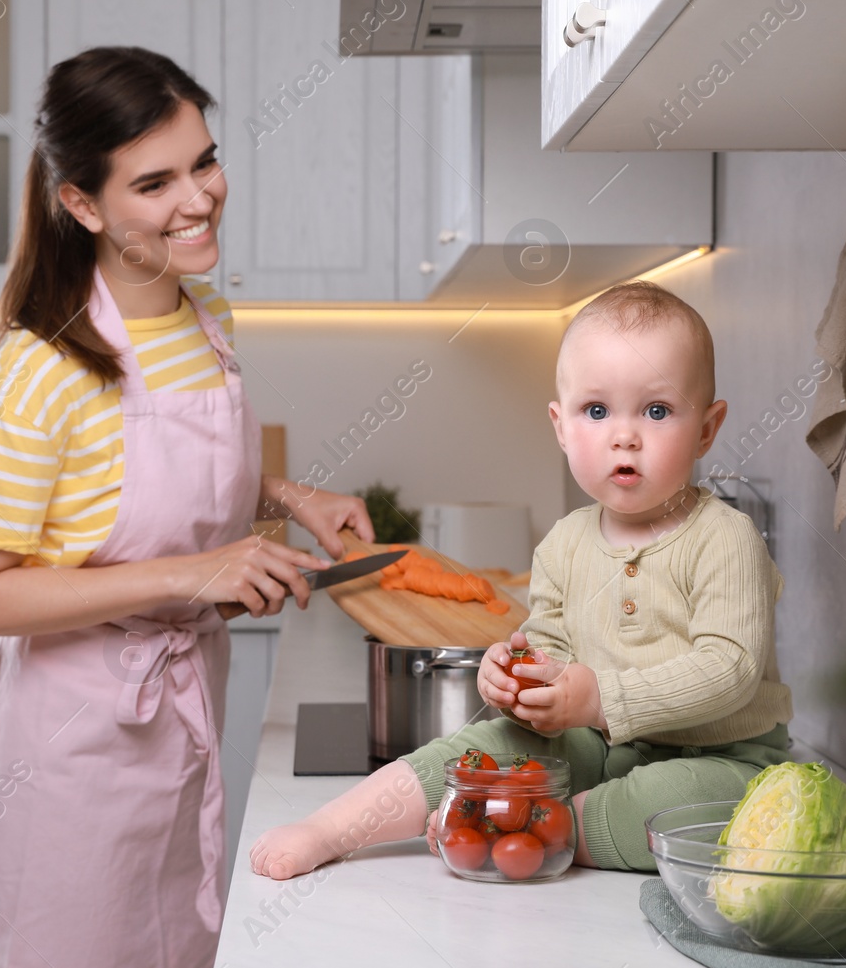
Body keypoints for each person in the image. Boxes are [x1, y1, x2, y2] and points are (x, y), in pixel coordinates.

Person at [0, 46, 374, 968]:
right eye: (155, 181)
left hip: (182, 719)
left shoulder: (200, 311)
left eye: (205, 161)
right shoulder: (38, 366)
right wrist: (191, 575)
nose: (199, 197)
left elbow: (169, 475)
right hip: (71, 749)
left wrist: (291, 497)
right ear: (83, 204)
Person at [250, 280, 794, 879]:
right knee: (484, 746)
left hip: (718, 755)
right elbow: (551, 653)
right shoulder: (563, 542)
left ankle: (511, 822)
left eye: (657, 411)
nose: (624, 435)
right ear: (561, 427)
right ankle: (332, 828)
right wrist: (516, 680)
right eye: (597, 410)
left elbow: (730, 670)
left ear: (707, 429)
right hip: (597, 743)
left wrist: (600, 699)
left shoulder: (726, 537)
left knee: (676, 804)